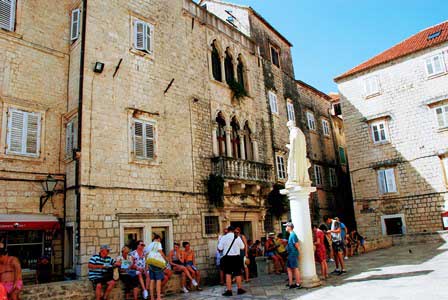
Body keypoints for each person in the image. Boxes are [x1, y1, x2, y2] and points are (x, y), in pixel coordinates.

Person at [218, 226, 246, 297]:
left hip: (227, 258)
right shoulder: (237, 237)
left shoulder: (223, 238)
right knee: (238, 273)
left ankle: (229, 290)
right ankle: (239, 289)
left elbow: (220, 248)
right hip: (236, 257)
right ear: (234, 230)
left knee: (228, 274)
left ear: (228, 230)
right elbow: (242, 247)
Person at [145, 235, 168, 300]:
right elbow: (161, 252)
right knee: (158, 280)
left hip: (150, 263)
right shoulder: (158, 243)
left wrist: (146, 265)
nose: (160, 241)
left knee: (152, 280)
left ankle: (152, 297)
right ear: (157, 239)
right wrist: (165, 259)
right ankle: (158, 297)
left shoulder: (149, 245)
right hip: (157, 263)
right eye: (159, 240)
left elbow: (146, 255)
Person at [284, 222, 302, 289]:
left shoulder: (293, 235)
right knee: (289, 268)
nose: (285, 228)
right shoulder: (291, 235)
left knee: (295, 268)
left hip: (293, 254)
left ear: (289, 227)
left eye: (286, 226)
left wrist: (299, 254)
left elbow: (297, 245)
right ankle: (291, 283)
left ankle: (298, 283)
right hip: (290, 254)